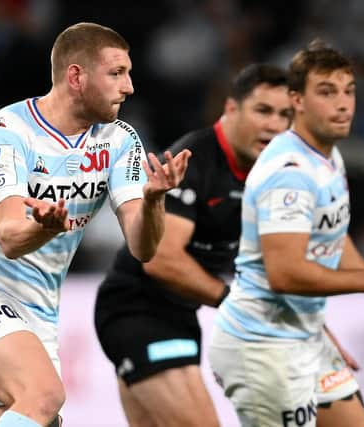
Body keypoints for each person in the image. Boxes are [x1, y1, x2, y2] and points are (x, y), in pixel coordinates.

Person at [0, 22, 190, 427]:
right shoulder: (8, 133)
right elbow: (11, 237)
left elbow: (144, 247)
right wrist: (45, 229)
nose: (130, 87)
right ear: (76, 76)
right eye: (116, 73)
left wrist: (155, 200)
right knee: (45, 395)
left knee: (39, 416)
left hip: (39, 315)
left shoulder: (119, 139)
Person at [208, 40, 364, 427]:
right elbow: (284, 273)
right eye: (327, 93)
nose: (343, 104)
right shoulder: (290, 172)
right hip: (262, 345)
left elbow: (331, 234)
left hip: (305, 337)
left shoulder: (326, 155)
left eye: (349, 91)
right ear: (296, 100)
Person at [93, 63, 294, 427]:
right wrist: (235, 304)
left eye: (285, 115)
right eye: (263, 110)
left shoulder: (271, 174)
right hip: (136, 310)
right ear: (231, 109)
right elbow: (161, 260)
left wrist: (315, 332)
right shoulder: (195, 159)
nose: (275, 125)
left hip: (180, 317)